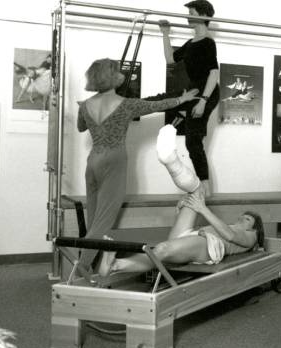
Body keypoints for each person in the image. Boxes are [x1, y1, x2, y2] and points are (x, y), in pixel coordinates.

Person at [76, 58, 199, 273]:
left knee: (93, 218)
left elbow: (80, 127)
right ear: (114, 78)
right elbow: (157, 106)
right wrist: (183, 98)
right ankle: (81, 270)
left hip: (93, 161)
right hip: (113, 161)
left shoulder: (85, 105)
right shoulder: (126, 104)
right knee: (101, 223)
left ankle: (90, 265)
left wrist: (84, 111)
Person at [98, 132, 264, 277]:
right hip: (194, 235)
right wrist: (183, 209)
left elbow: (229, 236)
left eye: (247, 219)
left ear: (255, 228)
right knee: (196, 191)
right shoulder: (230, 226)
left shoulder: (251, 237)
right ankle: (169, 160)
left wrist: (203, 209)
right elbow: (217, 227)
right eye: (242, 216)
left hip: (210, 246)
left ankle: (116, 265)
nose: (242, 218)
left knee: (162, 249)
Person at [150, 0, 220, 193]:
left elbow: (214, 73)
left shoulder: (208, 42)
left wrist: (204, 101)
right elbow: (170, 59)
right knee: (161, 100)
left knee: (193, 141)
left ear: (203, 16)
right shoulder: (191, 43)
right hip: (192, 90)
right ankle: (127, 105)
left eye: (192, 11)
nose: (188, 15)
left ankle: (205, 188)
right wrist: (165, 33)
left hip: (206, 92)